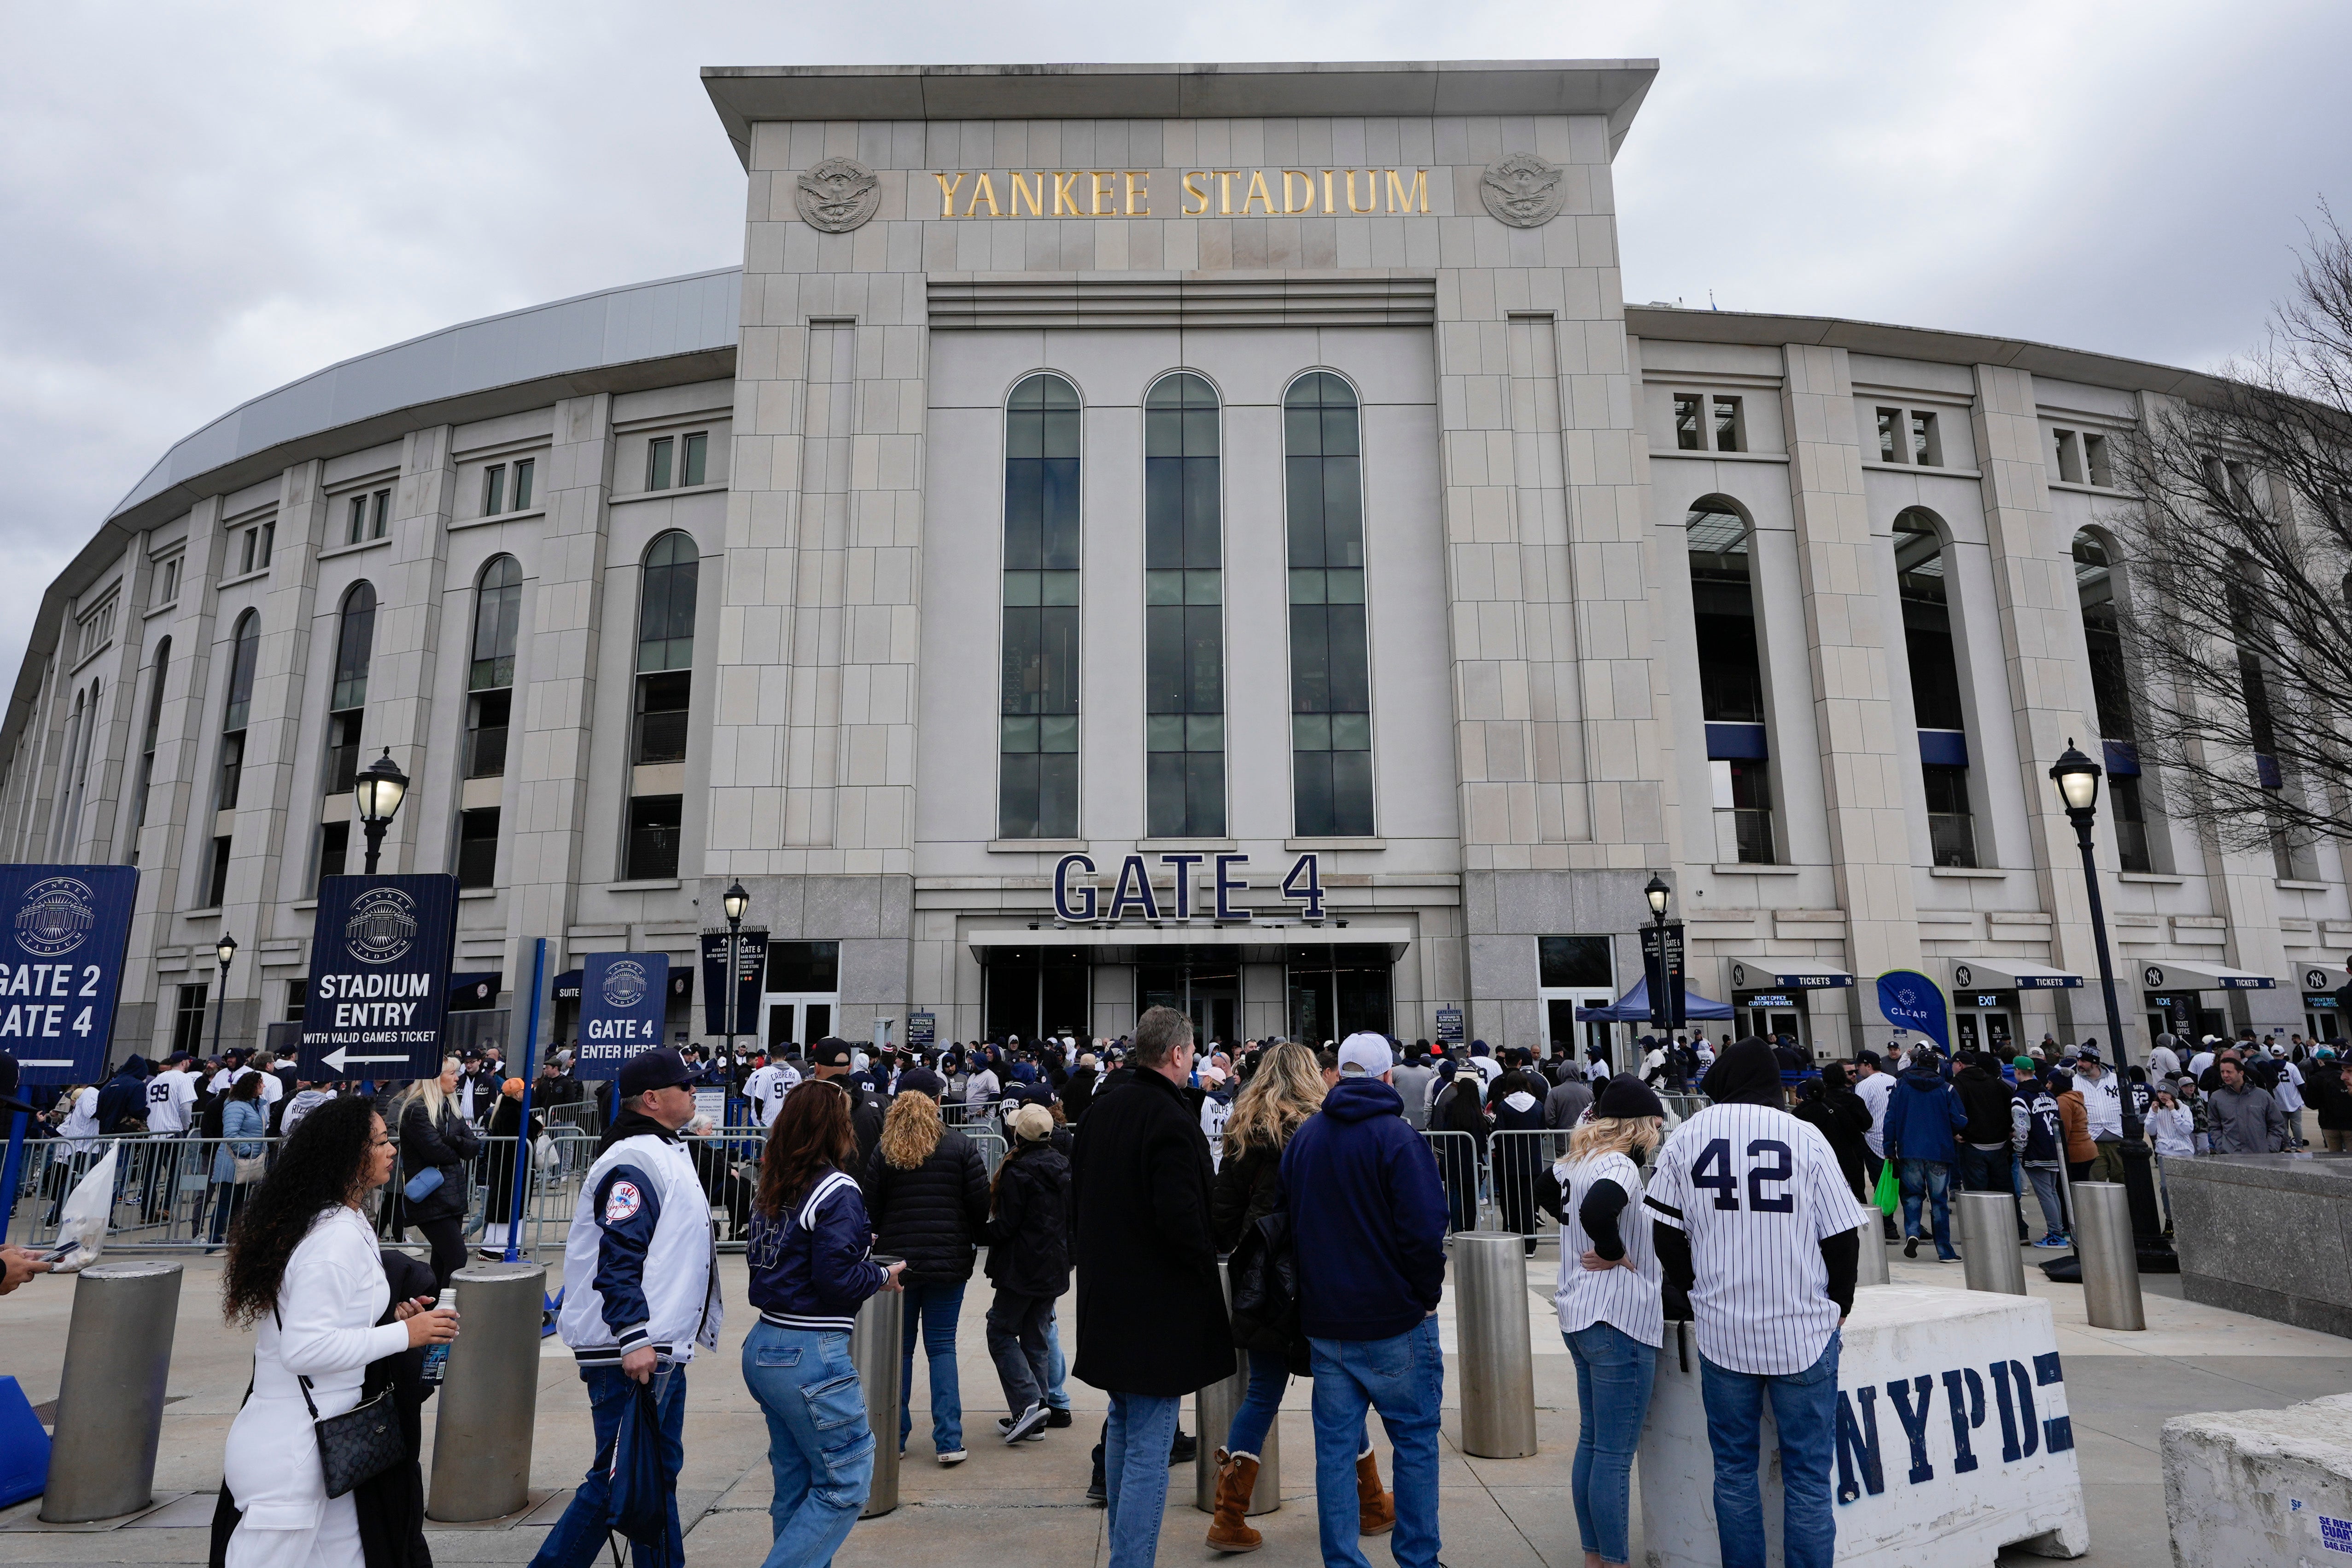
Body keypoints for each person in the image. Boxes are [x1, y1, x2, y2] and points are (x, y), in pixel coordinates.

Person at [215, 1095, 459, 1568]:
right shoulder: (333, 1239)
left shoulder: (343, 1223)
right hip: (292, 1453)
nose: (392, 1150)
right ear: (348, 1155)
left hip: (329, 1446)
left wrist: (395, 1323)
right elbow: (306, 1349)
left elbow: (334, 1326)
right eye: (382, 1142)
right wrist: (407, 1336)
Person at [1646, 1039, 1859, 1568]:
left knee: (1735, 1472)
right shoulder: (1805, 1136)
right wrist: (1838, 1303)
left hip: (1723, 1330)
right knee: (1808, 1478)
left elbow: (1665, 1233)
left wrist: (1695, 1288)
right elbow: (1841, 1237)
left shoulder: (1688, 1135)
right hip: (1801, 1328)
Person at [535, 1049, 723, 1568]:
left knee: (651, 1476)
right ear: (653, 1099)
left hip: (658, 1347)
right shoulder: (634, 1160)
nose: (693, 1092)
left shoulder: (659, 1150)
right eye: (685, 1086)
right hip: (636, 1350)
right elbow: (618, 1258)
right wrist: (634, 1335)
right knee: (616, 1483)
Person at [1204, 1040, 1387, 1554]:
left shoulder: (1241, 1134)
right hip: (1318, 1275)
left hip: (1261, 1279)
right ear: (1313, 1075)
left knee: (1262, 1392)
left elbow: (1222, 1220)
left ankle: (1229, 1515)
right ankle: (1370, 1502)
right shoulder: (1323, 1130)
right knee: (1339, 1390)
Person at [1069, 1005, 1233, 1568]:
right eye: (1191, 1054)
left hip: (1107, 1296)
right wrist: (1203, 1260)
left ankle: (1125, 1552)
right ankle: (1130, 1560)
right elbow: (1183, 1219)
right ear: (1178, 1054)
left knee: (1123, 1423)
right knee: (1148, 1442)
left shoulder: (1101, 1108)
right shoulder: (1166, 1117)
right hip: (1154, 1309)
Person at [1279, 1033, 1447, 1568]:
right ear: (1386, 1078)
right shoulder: (1397, 1140)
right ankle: (1417, 1559)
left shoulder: (1307, 1137)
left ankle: (1342, 1560)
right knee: (1415, 1443)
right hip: (1393, 1319)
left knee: (1334, 1453)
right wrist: (1425, 1296)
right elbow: (1424, 1229)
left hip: (1327, 1322)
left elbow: (1288, 1222)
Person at [739, 1079, 900, 1568]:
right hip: (809, 1350)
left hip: (766, 1343)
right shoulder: (836, 1188)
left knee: (797, 1481)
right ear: (837, 1128)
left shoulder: (773, 1183)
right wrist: (879, 1274)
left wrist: (853, 1249)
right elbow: (836, 1279)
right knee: (846, 1481)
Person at [1546, 1077, 1667, 1568]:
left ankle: (1595, 1555)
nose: (1660, 1129)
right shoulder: (1620, 1164)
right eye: (1656, 1122)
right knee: (1614, 1454)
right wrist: (1615, 1252)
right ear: (1640, 1125)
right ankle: (1614, 1560)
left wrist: (1582, 1239)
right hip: (1619, 1317)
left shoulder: (1576, 1160)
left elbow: (1542, 1187)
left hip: (1580, 1313)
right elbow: (1599, 1210)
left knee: (1593, 1441)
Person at [864, 1087, 991, 1465]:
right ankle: (948, 1440)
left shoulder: (884, 1150)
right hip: (947, 1259)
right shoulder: (960, 1145)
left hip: (897, 1262)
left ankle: (895, 1437)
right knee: (942, 1347)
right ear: (936, 1105)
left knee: (899, 1351)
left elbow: (870, 1208)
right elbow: (979, 1204)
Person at [984, 1103, 1071, 1446]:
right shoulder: (1062, 1165)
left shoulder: (1018, 1172)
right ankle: (1035, 1413)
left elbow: (1006, 1225)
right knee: (1035, 1336)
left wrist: (978, 1233)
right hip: (1051, 1266)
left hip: (1022, 1268)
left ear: (1018, 1134)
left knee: (1000, 1330)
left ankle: (1028, 1402)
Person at [394, 1059, 482, 1289]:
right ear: (436, 1078)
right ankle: (445, 1309)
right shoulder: (417, 1109)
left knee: (442, 1259)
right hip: (430, 1195)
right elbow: (435, 1152)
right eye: (452, 1073)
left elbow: (474, 1147)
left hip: (453, 1195)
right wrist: (458, 1149)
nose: (457, 1078)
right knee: (456, 1256)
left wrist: (453, 1141)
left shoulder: (451, 1107)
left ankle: (432, 1309)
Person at [1881, 1044, 1966, 1263]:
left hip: (1909, 1151)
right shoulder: (1946, 1089)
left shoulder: (1901, 1086)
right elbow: (1959, 1120)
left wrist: (1889, 1149)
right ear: (1937, 1066)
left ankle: (1912, 1232)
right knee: (1939, 1202)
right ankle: (1945, 1251)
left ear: (1916, 1064)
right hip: (1939, 1151)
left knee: (1911, 1196)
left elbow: (1890, 1120)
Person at [477, 1078, 543, 1259]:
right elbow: (524, 1134)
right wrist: (537, 1125)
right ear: (517, 1094)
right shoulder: (512, 1112)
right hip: (509, 1168)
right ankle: (493, 1246)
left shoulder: (511, 1110)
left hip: (511, 1167)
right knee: (505, 1207)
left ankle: (510, 1243)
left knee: (512, 1206)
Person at [208, 1073, 271, 1252]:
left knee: (240, 1204)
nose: (264, 1086)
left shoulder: (257, 1106)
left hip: (248, 1164)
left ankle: (232, 1239)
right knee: (225, 1203)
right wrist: (248, 1151)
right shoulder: (236, 1106)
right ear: (252, 1086)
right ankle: (214, 1242)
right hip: (234, 1163)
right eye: (261, 1083)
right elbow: (231, 1134)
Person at [1790, 1066, 1871, 1201]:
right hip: (1849, 1155)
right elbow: (1867, 1123)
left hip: (1817, 1158)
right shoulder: (1852, 1100)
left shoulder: (1803, 1110)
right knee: (1857, 1192)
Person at [1428, 1060, 1490, 1232]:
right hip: (1471, 1161)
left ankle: (1456, 1229)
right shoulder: (1476, 1113)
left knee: (1455, 1192)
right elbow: (1480, 1141)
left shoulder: (1451, 1107)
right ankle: (1469, 1229)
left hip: (1454, 1157)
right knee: (1470, 1196)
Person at [2015, 1069, 2070, 1248]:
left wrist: (2020, 1151)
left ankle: (2055, 1234)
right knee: (2052, 1192)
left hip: (2036, 1151)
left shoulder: (2021, 1097)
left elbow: (2022, 1129)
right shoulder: (2049, 1095)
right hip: (2054, 1147)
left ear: (2018, 1072)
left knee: (2045, 1194)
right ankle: (2059, 1231)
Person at [2208, 1057, 2285, 1154]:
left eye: (2229, 1072)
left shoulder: (2262, 1096)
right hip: (2231, 1156)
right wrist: (2222, 1147)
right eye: (2222, 1072)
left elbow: (2277, 1124)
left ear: (2241, 1073)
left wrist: (2271, 1147)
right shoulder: (2216, 1098)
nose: (2225, 1075)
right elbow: (2214, 1126)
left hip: (2260, 1155)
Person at [2147, 1085, 2195, 1233]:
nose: (2162, 1095)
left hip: (2184, 1151)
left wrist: (2174, 1112)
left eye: (2166, 1092)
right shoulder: (2155, 1108)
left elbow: (2187, 1130)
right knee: (2166, 1187)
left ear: (2173, 1094)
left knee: (2187, 1187)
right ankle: (2170, 1219)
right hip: (2165, 1152)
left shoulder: (2183, 1108)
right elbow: (2150, 1130)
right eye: (2160, 1092)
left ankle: (2189, 1218)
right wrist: (2154, 1114)